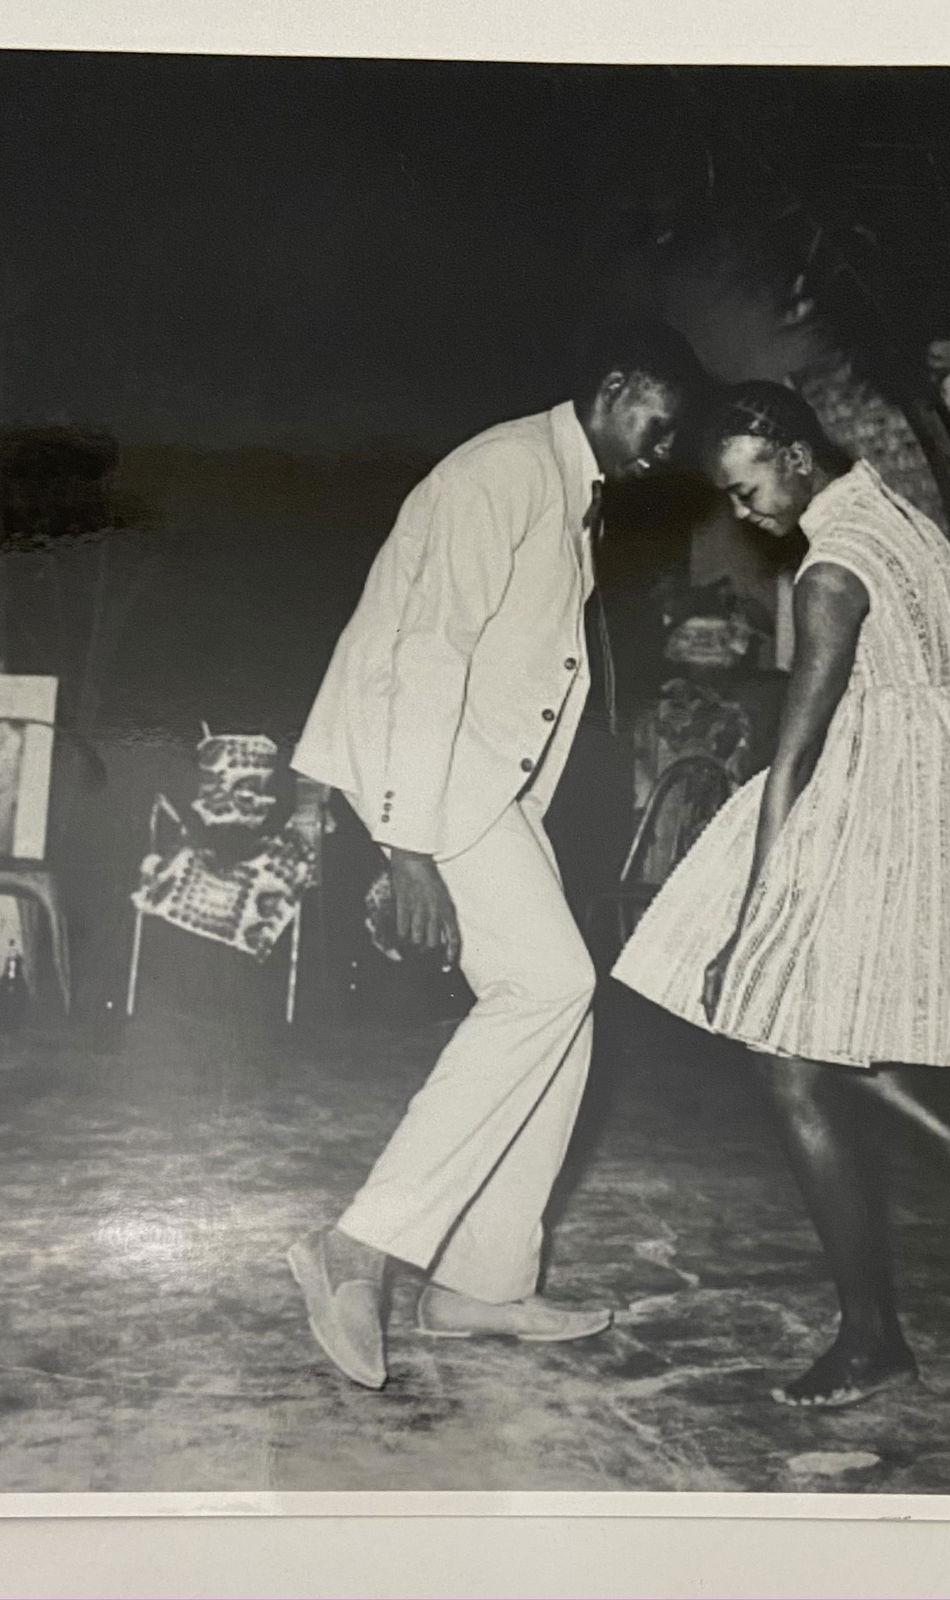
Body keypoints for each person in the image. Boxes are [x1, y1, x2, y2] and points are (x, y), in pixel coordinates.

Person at [612, 381, 950, 1408]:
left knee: (785, 1057)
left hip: (877, 804)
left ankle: (872, 1337)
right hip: (948, 788)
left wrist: (750, 919)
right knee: (815, 1027)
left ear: (796, 456)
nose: (745, 512)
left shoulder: (830, 570)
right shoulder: (902, 514)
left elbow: (793, 761)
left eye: (749, 488)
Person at [284, 320, 708, 1389]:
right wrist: (407, 846)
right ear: (615, 387)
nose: (664, 451)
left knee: (562, 1013)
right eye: (659, 425)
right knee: (551, 986)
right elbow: (424, 654)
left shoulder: (559, 484)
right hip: (436, 778)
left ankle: (481, 1282)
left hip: (480, 784)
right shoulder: (506, 470)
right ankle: (357, 1247)